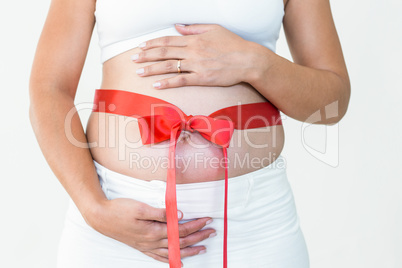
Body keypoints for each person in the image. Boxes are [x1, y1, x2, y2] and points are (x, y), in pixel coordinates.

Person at [29, 0, 350, 267]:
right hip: (118, 222)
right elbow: (49, 90)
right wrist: (94, 208)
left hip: (255, 225)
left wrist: (257, 62)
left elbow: (332, 101)